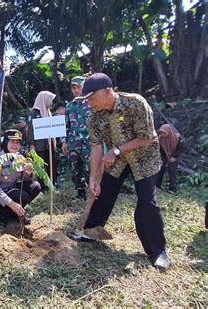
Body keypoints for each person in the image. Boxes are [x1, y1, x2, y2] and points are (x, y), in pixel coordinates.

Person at [67, 73, 170, 271]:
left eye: (91, 98)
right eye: (85, 100)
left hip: (144, 157)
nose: (88, 103)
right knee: (103, 190)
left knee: (146, 201)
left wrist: (115, 150)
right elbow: (96, 149)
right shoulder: (94, 115)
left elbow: (147, 137)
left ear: (107, 91)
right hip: (117, 159)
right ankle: (91, 232)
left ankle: (158, 251)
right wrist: (93, 179)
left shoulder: (135, 104)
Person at [0, 129, 41, 227]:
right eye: (12, 142)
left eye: (18, 142)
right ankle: (4, 215)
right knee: (22, 196)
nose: (15, 145)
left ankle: (15, 213)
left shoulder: (19, 158)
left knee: (36, 186)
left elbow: (26, 180)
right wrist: (12, 204)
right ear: (5, 142)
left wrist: (29, 172)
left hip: (11, 189)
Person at [62, 76, 91, 200]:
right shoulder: (69, 106)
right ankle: (80, 193)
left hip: (89, 143)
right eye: (73, 87)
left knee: (90, 168)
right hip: (73, 143)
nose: (76, 90)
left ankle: (94, 192)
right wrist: (64, 142)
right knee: (75, 169)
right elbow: (66, 126)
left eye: (78, 87)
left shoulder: (91, 104)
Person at [27, 91, 58, 187]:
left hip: (49, 144)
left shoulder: (48, 112)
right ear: (44, 99)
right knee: (41, 166)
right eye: (51, 100)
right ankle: (42, 186)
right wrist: (32, 145)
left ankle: (52, 183)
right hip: (39, 145)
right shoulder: (33, 112)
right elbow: (30, 129)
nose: (52, 103)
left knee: (52, 163)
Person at [156, 124, 187, 194]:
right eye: (161, 132)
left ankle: (173, 189)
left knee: (172, 171)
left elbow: (181, 148)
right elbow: (159, 148)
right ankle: (157, 186)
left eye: (164, 132)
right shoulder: (160, 138)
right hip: (163, 154)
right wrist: (160, 158)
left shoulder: (177, 137)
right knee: (160, 168)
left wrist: (174, 156)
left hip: (174, 155)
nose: (162, 134)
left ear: (169, 131)